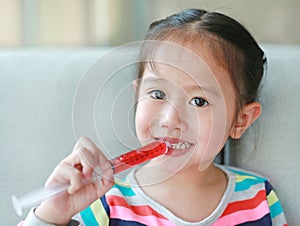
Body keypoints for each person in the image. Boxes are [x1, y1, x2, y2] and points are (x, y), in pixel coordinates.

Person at [19, 8, 287, 225]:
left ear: (241, 120)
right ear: (138, 97)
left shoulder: (258, 197)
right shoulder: (105, 202)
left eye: (199, 101)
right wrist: (52, 214)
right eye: (158, 95)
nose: (171, 119)